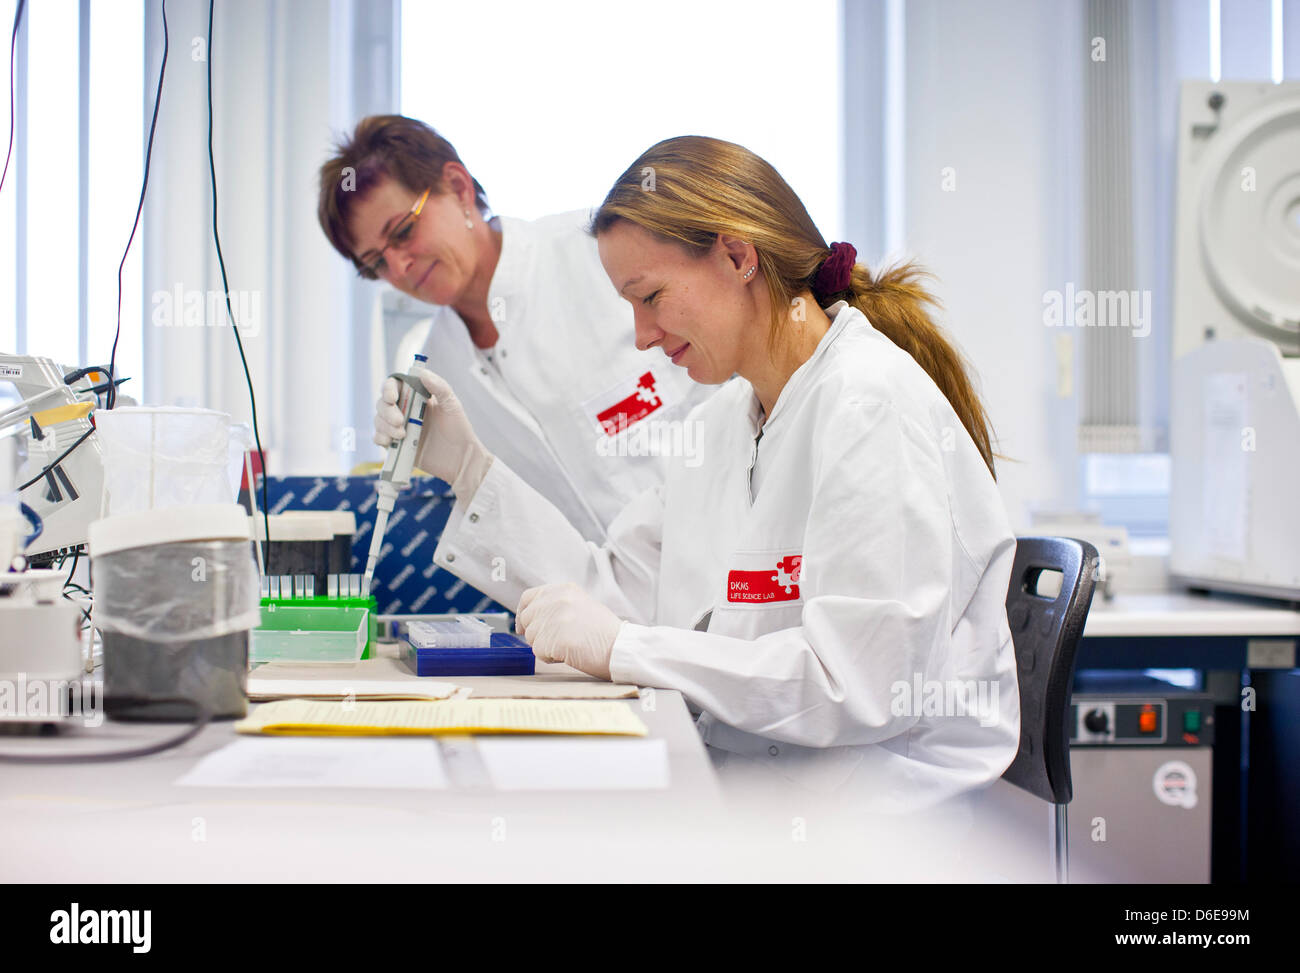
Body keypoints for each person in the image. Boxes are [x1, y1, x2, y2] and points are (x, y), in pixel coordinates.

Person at [393, 135, 1020, 811]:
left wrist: (630, 649)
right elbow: (617, 589)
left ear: (737, 255)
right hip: (770, 786)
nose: (640, 335)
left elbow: (857, 682)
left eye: (652, 296)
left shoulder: (868, 404)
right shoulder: (727, 421)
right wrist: (465, 466)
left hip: (885, 818)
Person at [317, 116, 714, 542]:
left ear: (458, 188)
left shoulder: (602, 257)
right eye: (376, 263)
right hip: (598, 602)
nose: (398, 267)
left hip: (724, 565)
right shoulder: (437, 377)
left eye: (403, 232)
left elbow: (738, 394)